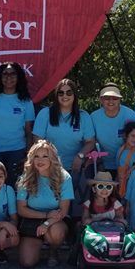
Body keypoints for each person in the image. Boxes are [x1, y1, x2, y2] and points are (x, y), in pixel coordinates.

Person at [33, 78, 96, 212]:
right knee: (52, 202)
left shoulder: (83, 116)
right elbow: (37, 140)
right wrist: (49, 161)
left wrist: (80, 156)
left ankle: (71, 227)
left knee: (70, 204)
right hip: (48, 167)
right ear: (56, 95)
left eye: (69, 92)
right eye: (60, 93)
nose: (65, 96)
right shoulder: (45, 114)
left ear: (75, 95)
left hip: (73, 168)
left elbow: (90, 142)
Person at [16, 140, 74, 268]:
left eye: (45, 156)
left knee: (56, 232)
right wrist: (46, 215)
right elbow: (21, 209)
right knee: (27, 262)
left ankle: (53, 251)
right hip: (32, 219)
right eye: (36, 156)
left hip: (56, 220)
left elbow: (63, 211)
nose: (40, 160)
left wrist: (47, 222)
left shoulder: (64, 177)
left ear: (52, 158)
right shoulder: (25, 177)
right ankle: (38, 246)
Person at [0, 62, 35, 187]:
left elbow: (28, 131)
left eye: (13, 74)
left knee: (14, 187)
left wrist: (28, 155)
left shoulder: (26, 101)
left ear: (19, 77)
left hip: (17, 152)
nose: (8, 77)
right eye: (5, 74)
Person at [90, 82, 135, 175]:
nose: (111, 101)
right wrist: (99, 162)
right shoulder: (93, 117)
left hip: (129, 164)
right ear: (101, 100)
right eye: (107, 98)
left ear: (120, 100)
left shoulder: (130, 115)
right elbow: (91, 140)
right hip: (102, 164)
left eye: (115, 98)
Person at [115, 122, 135, 200]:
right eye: (132, 135)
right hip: (122, 187)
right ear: (126, 135)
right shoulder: (120, 150)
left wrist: (133, 168)